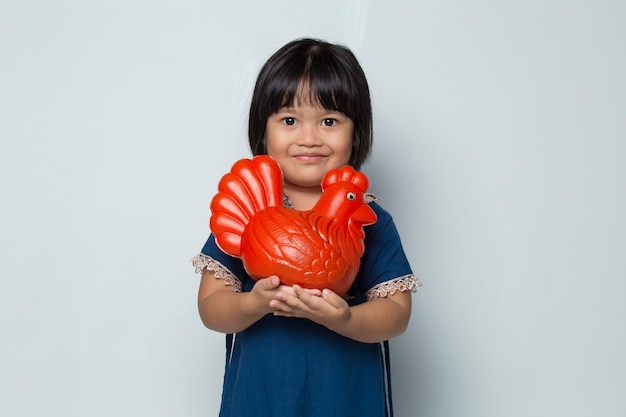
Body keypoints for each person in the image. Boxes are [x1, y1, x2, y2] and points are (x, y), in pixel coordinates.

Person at [191, 38, 421, 417]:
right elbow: (211, 307)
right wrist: (254, 303)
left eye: (329, 121)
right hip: (263, 394)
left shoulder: (368, 216)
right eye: (289, 120)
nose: (310, 138)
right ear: (263, 130)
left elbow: (396, 312)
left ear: (356, 131)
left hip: (344, 396)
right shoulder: (253, 213)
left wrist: (345, 318)